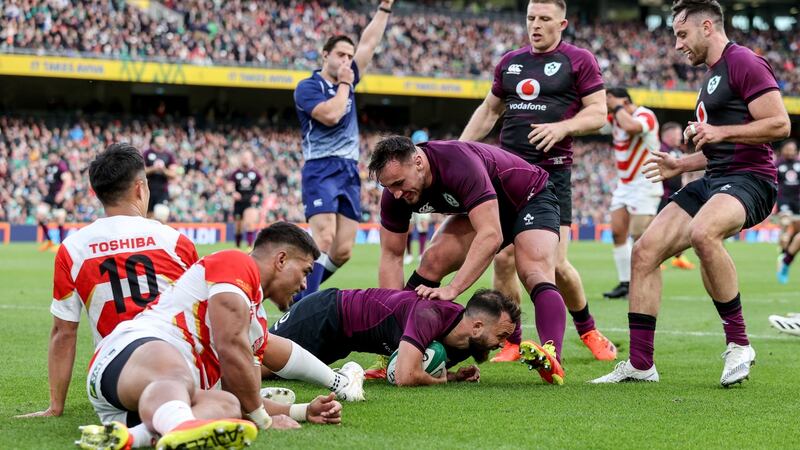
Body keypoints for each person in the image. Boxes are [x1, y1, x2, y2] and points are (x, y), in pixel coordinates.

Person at [592, 0, 790, 386]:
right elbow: (721, 146)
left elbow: (779, 124)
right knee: (645, 251)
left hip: (751, 180)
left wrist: (719, 133)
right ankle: (640, 364)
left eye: (682, 34)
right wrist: (683, 163)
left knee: (703, 232)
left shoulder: (744, 62)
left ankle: (738, 344)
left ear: (707, 27)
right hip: (716, 176)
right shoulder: (713, 76)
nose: (678, 45)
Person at [77, 223, 349, 450]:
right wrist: (264, 421)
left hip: (150, 404)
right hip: (129, 357)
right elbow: (230, 345)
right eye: (305, 272)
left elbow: (247, 399)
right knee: (175, 368)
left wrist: (303, 411)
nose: (304, 285)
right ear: (281, 260)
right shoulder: (238, 263)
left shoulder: (258, 322)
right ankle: (180, 426)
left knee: (229, 405)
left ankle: (129, 438)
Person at [458, 0, 615, 361]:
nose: (536, 25)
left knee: (556, 266)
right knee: (503, 259)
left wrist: (563, 126)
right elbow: (489, 111)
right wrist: (460, 149)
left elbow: (598, 114)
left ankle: (587, 329)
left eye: (544, 18)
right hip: (506, 175)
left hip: (551, 177)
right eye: (531, 18)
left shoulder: (579, 60)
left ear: (562, 22)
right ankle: (512, 341)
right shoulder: (510, 62)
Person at [16, 143, 198, 438]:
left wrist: (55, 406)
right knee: (223, 403)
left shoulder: (73, 248)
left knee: (216, 404)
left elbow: (64, 332)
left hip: (115, 376)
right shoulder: (175, 241)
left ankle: (143, 429)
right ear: (140, 188)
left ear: (97, 192)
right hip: (180, 364)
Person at [371, 136, 566, 384]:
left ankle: (552, 356)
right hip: (485, 207)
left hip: (528, 197)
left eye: (399, 183)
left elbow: (491, 235)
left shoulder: (457, 163)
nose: (396, 193)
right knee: (433, 259)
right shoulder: (395, 195)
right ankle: (395, 351)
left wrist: (453, 288)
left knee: (532, 270)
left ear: (418, 162)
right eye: (388, 187)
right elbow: (391, 256)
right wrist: (390, 323)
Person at [293, 0, 395, 298]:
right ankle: (304, 309)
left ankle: (298, 295)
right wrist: (345, 85)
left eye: (349, 56)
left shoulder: (348, 78)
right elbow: (332, 114)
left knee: (344, 250)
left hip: (349, 169)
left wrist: (384, 9)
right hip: (320, 167)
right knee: (323, 239)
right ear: (325, 55)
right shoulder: (308, 87)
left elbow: (369, 43)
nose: (346, 60)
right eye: (340, 54)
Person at [270, 288, 520, 386]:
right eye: (501, 336)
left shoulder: (468, 342)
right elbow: (405, 376)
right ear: (477, 326)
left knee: (280, 372)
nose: (502, 344)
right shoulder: (429, 314)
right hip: (325, 314)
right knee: (260, 360)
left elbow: (419, 369)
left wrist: (454, 375)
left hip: (341, 341)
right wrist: (442, 381)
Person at [601, 87, 664, 299]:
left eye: (610, 99)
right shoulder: (614, 119)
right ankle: (626, 283)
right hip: (624, 184)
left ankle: (645, 282)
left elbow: (632, 127)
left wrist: (617, 107)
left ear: (625, 101)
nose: (608, 103)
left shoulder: (644, 115)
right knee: (618, 232)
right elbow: (594, 125)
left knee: (640, 236)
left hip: (645, 183)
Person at [659, 122, 696, 270]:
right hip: (661, 196)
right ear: (668, 135)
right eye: (677, 134)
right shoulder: (661, 150)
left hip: (674, 195)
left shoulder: (676, 152)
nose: (680, 138)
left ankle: (678, 257)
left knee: (678, 228)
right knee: (662, 228)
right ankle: (658, 258)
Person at [774, 139, 800, 283]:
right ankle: (783, 253)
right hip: (784, 201)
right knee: (785, 223)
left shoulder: (799, 164)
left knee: (797, 234)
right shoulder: (778, 165)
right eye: (787, 148)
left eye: (792, 148)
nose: (790, 151)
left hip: (798, 202)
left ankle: (787, 257)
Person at [37, 151, 73, 251]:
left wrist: (62, 193)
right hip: (49, 195)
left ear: (57, 156)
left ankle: (61, 244)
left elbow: (68, 180)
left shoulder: (61, 166)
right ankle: (49, 241)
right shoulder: (48, 166)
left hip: (58, 194)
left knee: (60, 218)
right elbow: (43, 177)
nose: (51, 157)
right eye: (50, 155)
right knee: (40, 215)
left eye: (52, 155)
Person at [228, 150, 263, 248]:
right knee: (238, 227)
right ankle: (238, 246)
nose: (245, 160)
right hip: (239, 202)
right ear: (241, 159)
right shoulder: (235, 173)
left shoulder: (255, 173)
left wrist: (258, 195)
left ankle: (249, 247)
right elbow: (229, 185)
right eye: (244, 158)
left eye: (247, 158)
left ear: (250, 159)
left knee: (250, 223)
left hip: (250, 201)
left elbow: (263, 185)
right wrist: (233, 193)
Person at [143, 130, 177, 219]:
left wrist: (163, 170)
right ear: (154, 139)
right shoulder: (146, 153)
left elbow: (173, 174)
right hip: (148, 189)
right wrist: (154, 168)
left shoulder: (169, 155)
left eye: (163, 138)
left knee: (161, 215)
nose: (162, 140)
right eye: (159, 137)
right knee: (148, 217)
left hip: (162, 190)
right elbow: (141, 171)